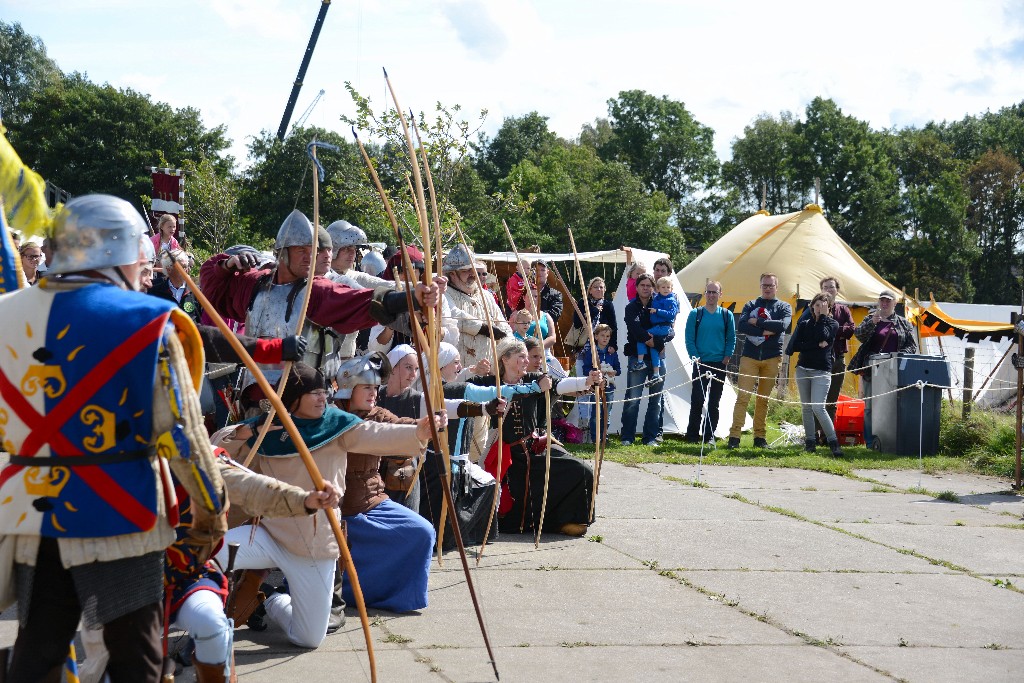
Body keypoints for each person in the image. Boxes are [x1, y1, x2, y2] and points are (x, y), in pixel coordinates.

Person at [0, 194, 227, 681]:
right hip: (120, 514)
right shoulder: (146, 322)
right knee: (136, 661)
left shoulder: (3, 315)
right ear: (124, 254)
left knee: (36, 653)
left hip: (30, 513)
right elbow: (184, 437)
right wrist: (211, 510)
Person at [210, 363, 442, 649]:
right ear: (293, 399)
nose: (323, 398)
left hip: (315, 545)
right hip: (268, 534)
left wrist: (418, 431)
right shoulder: (268, 427)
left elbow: (376, 433)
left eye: (323, 392)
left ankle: (270, 599)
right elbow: (218, 451)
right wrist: (252, 428)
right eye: (314, 393)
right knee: (204, 553)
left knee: (307, 638)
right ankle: (204, 621)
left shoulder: (336, 424)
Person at [81, 452, 341, 683]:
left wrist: (304, 499)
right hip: (126, 587)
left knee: (212, 625)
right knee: (115, 662)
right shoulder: (106, 457)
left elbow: (249, 487)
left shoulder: (197, 456)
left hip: (190, 576)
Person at [199, 210, 443, 411]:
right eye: (301, 251)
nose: (310, 257)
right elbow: (211, 287)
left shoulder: (317, 291)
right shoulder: (256, 284)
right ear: (283, 253)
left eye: (312, 251)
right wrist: (226, 265)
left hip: (305, 403)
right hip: (254, 401)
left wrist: (412, 298)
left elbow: (365, 301)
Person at [332, 354, 436, 612]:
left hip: (372, 503)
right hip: (334, 511)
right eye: (366, 387)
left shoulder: (376, 414)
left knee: (422, 532)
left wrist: (424, 427)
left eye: (375, 387)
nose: (373, 393)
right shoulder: (330, 417)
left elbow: (397, 426)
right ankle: (340, 591)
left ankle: (389, 597)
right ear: (348, 388)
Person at [468, 338, 601, 536]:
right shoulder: (488, 382)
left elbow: (560, 385)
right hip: (505, 456)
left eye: (525, 356)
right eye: (520, 356)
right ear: (505, 359)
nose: (525, 360)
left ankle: (566, 520)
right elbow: (458, 390)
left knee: (581, 470)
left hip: (534, 448)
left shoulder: (533, 378)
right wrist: (472, 372)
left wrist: (587, 381)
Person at [727, 273, 792, 449]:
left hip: (772, 358)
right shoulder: (750, 304)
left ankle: (759, 438)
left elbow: (782, 326)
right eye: (764, 285)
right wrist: (765, 331)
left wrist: (758, 322)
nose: (768, 288)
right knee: (743, 397)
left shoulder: (784, 306)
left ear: (776, 287)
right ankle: (734, 436)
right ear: (760, 286)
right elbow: (742, 325)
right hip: (750, 356)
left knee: (763, 399)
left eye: (771, 285)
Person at [851, 289, 917, 447]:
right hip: (871, 369)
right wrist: (873, 322)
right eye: (882, 300)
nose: (885, 303)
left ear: (895, 303)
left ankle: (888, 440)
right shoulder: (870, 318)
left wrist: (897, 356)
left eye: (888, 300)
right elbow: (859, 335)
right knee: (870, 407)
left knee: (891, 405)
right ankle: (870, 441)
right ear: (878, 302)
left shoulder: (904, 323)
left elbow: (912, 346)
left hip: (894, 370)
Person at [786, 293, 843, 456]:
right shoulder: (804, 324)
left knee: (818, 407)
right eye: (817, 305)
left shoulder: (832, 324)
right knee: (806, 408)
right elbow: (796, 345)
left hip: (821, 370)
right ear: (811, 307)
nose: (819, 308)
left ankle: (833, 442)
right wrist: (815, 345)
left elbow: (822, 336)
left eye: (823, 305)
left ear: (828, 307)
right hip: (803, 368)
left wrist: (822, 319)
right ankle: (810, 442)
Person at [683, 280, 736, 444]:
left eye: (714, 292)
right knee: (697, 401)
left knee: (714, 403)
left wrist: (727, 357)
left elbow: (731, 339)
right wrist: (695, 356)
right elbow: (689, 339)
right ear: (705, 293)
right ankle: (692, 436)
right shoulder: (695, 314)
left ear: (720, 294)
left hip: (719, 364)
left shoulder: (727, 315)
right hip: (700, 363)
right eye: (709, 292)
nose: (711, 295)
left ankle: (709, 436)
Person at [621, 274, 670, 446]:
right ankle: (627, 437)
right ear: (637, 287)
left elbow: (670, 329)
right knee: (633, 398)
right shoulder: (631, 307)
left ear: (653, 287)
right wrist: (652, 341)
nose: (645, 288)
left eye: (649, 285)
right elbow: (635, 328)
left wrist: (657, 342)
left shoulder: (660, 303)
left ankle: (650, 437)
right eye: (642, 285)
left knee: (655, 400)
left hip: (657, 358)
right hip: (638, 357)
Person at [810, 276, 855, 443]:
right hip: (819, 360)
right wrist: (835, 329)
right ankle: (814, 434)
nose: (829, 290)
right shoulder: (813, 308)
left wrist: (831, 329)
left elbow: (850, 330)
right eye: (826, 287)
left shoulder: (843, 310)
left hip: (837, 359)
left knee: (832, 400)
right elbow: (811, 331)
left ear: (837, 290)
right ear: (821, 289)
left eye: (832, 287)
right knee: (816, 400)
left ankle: (827, 436)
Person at [578, 324, 620, 444]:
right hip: (596, 386)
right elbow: (586, 368)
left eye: (607, 336)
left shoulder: (612, 353)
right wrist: (595, 372)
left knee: (607, 412)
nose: (605, 338)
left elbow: (619, 369)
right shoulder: (592, 352)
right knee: (596, 413)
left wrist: (614, 372)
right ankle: (595, 438)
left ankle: (604, 437)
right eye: (602, 335)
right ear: (596, 336)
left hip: (609, 386)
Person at [632, 276, 678, 373]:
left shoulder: (671, 300)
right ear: (658, 289)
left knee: (642, 339)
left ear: (671, 289)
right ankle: (656, 373)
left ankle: (640, 362)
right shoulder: (656, 299)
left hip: (662, 327)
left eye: (668, 287)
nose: (666, 289)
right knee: (654, 349)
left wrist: (658, 311)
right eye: (663, 287)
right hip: (657, 327)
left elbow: (671, 315)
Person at [149, 248, 201, 323]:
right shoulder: (155, 292)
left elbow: (200, 321)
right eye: (183, 267)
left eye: (187, 266)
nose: (187, 270)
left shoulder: (195, 292)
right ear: (169, 269)